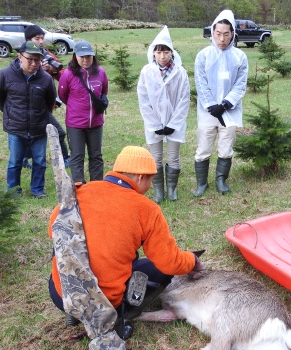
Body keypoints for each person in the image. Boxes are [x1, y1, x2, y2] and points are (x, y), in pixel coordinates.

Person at [47, 145, 204, 339]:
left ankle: (73, 313)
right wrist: (190, 260)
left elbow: (53, 233)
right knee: (160, 270)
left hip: (61, 294)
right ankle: (119, 317)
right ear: (140, 178)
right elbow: (168, 261)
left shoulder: (77, 193)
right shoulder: (146, 209)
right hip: (103, 303)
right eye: (151, 181)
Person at [194, 9, 248, 196]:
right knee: (203, 147)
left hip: (230, 111)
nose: (222, 39)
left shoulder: (240, 57)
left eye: (226, 34)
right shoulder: (203, 55)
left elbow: (240, 84)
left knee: (226, 147)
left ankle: (221, 181)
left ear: (232, 34)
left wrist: (225, 105)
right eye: (218, 34)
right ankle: (202, 183)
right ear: (212, 32)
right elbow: (201, 83)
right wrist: (211, 105)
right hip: (207, 112)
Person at [0, 40, 56, 198]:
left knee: (40, 161)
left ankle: (37, 190)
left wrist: (39, 116)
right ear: (20, 57)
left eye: (37, 60)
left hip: (39, 127)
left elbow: (50, 102)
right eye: (30, 59)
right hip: (16, 128)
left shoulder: (46, 79)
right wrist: (11, 113)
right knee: (15, 162)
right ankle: (14, 190)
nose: (34, 63)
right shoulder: (5, 74)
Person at [137, 26, 190, 203]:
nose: (162, 56)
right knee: (156, 157)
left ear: (171, 53)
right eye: (158, 52)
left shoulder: (180, 73)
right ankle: (159, 191)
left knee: (173, 156)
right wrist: (155, 124)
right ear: (153, 53)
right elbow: (143, 100)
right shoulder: (146, 72)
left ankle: (172, 190)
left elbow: (184, 99)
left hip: (174, 123)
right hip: (154, 123)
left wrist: (173, 124)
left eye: (166, 52)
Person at [58, 41, 108, 183]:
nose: (85, 60)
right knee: (77, 155)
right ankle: (79, 186)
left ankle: (96, 186)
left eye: (88, 56)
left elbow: (103, 91)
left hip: (96, 123)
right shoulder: (68, 75)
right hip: (75, 124)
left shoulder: (101, 73)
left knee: (96, 155)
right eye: (82, 57)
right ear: (75, 56)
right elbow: (63, 95)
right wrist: (77, 108)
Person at [22, 24, 70, 169]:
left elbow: (63, 77)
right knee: (58, 132)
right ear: (28, 40)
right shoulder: (25, 57)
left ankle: (24, 158)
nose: (41, 41)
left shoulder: (47, 55)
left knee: (34, 134)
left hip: (46, 104)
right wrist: (37, 71)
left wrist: (53, 71)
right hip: (30, 106)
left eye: (42, 38)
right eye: (37, 38)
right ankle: (65, 158)